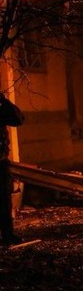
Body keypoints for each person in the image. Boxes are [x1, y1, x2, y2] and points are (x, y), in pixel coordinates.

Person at [0, 92, 24, 246]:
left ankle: (8, 235)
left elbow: (18, 119)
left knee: (4, 200)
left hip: (0, 163)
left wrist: (4, 101)